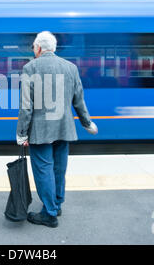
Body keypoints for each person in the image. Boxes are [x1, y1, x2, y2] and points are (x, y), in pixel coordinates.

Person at [16, 31, 98, 228]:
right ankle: (57, 204)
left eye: (34, 48)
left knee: (44, 169)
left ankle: (49, 214)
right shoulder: (70, 68)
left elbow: (26, 106)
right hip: (64, 128)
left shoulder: (30, 68)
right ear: (53, 48)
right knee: (59, 169)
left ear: (38, 48)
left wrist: (21, 133)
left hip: (41, 130)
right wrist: (87, 123)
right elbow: (79, 100)